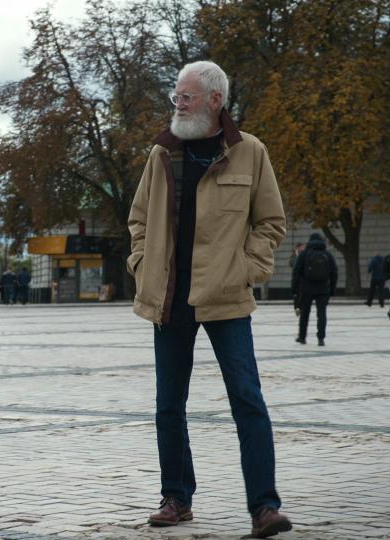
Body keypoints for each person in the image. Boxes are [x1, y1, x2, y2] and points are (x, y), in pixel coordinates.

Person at [127, 61, 291, 538]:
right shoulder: (162, 153)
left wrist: (248, 270)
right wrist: (142, 263)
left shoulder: (249, 152)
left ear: (215, 100)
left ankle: (264, 507)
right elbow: (138, 219)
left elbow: (270, 222)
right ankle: (176, 497)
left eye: (186, 97)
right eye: (175, 96)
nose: (177, 104)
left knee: (248, 400)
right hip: (169, 295)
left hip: (225, 294)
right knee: (168, 405)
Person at [291, 233, 338, 346]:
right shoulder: (327, 254)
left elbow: (296, 272)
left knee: (305, 314)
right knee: (321, 314)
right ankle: (321, 338)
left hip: (307, 288)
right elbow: (334, 273)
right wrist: (332, 289)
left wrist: (294, 289)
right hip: (323, 289)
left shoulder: (304, 254)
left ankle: (302, 337)